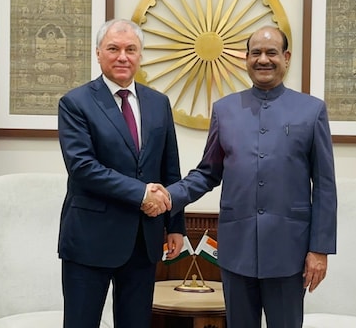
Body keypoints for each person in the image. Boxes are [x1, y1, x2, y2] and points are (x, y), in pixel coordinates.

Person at [166, 26, 337, 327]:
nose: (263, 59)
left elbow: (324, 186)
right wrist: (170, 196)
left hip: (290, 249)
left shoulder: (311, 111)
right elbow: (208, 173)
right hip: (237, 247)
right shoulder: (225, 109)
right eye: (255, 53)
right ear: (246, 59)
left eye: (271, 53)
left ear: (286, 58)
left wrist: (319, 249)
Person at [57, 18, 184, 328]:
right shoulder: (75, 103)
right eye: (113, 49)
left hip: (144, 240)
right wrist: (141, 194)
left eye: (131, 49)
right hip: (89, 239)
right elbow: (83, 167)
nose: (122, 56)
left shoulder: (158, 103)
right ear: (98, 53)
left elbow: (170, 167)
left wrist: (176, 225)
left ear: (140, 55)